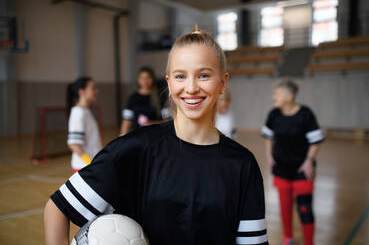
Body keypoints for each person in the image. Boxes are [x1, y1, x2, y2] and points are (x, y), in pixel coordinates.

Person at [44, 26, 269, 245]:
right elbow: (57, 208)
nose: (191, 88)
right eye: (180, 76)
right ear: (169, 84)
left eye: (203, 75)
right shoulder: (133, 149)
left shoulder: (242, 164)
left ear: (223, 83)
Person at [261, 80, 324, 245]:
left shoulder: (305, 114)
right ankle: (288, 238)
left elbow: (316, 140)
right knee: (285, 207)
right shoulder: (274, 114)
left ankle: (309, 242)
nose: (273, 97)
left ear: (289, 96)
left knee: (305, 209)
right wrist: (269, 154)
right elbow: (268, 136)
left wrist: (309, 161)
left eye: (277, 94)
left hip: (302, 170)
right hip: (281, 169)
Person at [66, 76, 102, 173]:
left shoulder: (86, 111)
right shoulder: (78, 113)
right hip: (84, 168)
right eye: (93, 88)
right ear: (82, 92)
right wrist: (90, 162)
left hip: (90, 166)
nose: (96, 91)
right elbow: (73, 144)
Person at [120, 66, 171, 135]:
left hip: (156, 135)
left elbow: (168, 121)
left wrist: (151, 123)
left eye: (148, 78)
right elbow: (126, 120)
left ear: (153, 79)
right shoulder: (132, 97)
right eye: (142, 78)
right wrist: (122, 137)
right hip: (137, 136)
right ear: (138, 80)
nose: (145, 81)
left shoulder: (160, 97)